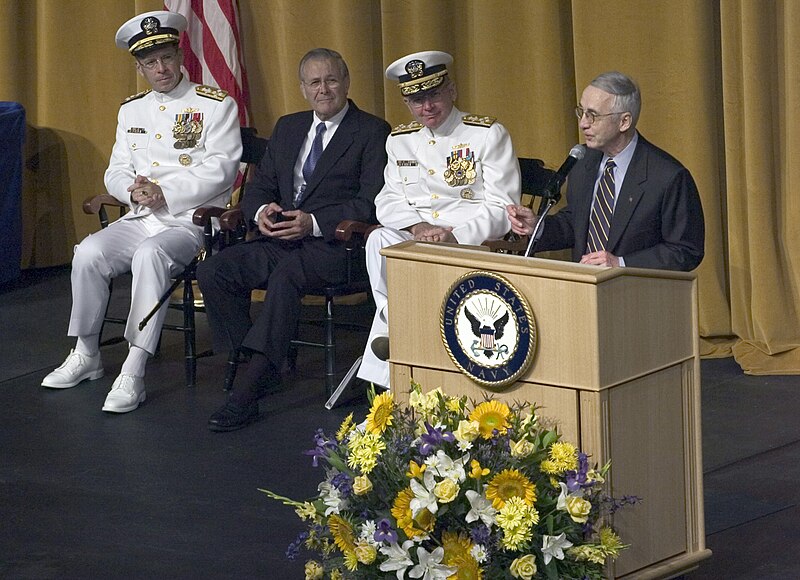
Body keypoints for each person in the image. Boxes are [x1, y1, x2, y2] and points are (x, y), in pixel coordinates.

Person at [40, 10, 242, 413]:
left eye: (166, 57)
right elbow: (116, 169)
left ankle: (133, 369)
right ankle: (87, 354)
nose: (161, 68)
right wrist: (133, 193)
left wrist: (164, 192)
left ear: (179, 54)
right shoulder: (131, 110)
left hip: (192, 220)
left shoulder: (216, 105)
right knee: (88, 252)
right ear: (139, 67)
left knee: (151, 256)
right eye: (150, 62)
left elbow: (223, 169)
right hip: (140, 215)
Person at [197, 48, 391, 432]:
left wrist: (314, 222)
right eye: (315, 82)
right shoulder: (288, 127)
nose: (324, 90)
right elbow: (258, 187)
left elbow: (370, 201)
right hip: (280, 238)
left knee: (286, 277)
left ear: (347, 82)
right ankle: (261, 363)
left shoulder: (371, 131)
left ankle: (247, 391)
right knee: (216, 270)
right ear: (303, 88)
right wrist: (261, 212)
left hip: (336, 246)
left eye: (331, 80)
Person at [357, 50, 522, 389]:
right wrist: (417, 227)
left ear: (452, 91)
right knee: (378, 239)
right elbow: (387, 199)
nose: (426, 107)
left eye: (432, 95)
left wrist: (455, 236)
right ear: (407, 104)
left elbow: (502, 207)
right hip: (419, 241)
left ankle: (387, 379)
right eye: (416, 100)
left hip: (468, 244)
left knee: (400, 259)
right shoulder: (399, 140)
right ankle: (395, 321)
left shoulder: (486, 134)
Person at [506, 71, 704, 271]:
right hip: (584, 290)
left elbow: (685, 250)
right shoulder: (583, 162)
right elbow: (575, 223)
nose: (583, 123)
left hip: (638, 293)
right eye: (581, 112)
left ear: (624, 122)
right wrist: (538, 227)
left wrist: (621, 263)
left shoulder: (668, 176)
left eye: (593, 115)